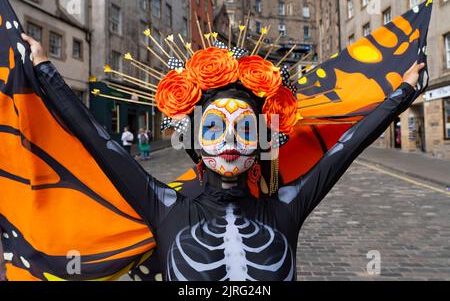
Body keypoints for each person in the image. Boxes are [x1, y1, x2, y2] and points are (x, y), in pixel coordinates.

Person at [22, 24, 425, 282]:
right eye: (214, 127)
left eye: (244, 128)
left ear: (261, 142)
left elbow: (346, 146)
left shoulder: (286, 205)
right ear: (196, 141)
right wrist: (44, 70)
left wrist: (403, 92)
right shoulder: (164, 207)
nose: (230, 139)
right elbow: (99, 143)